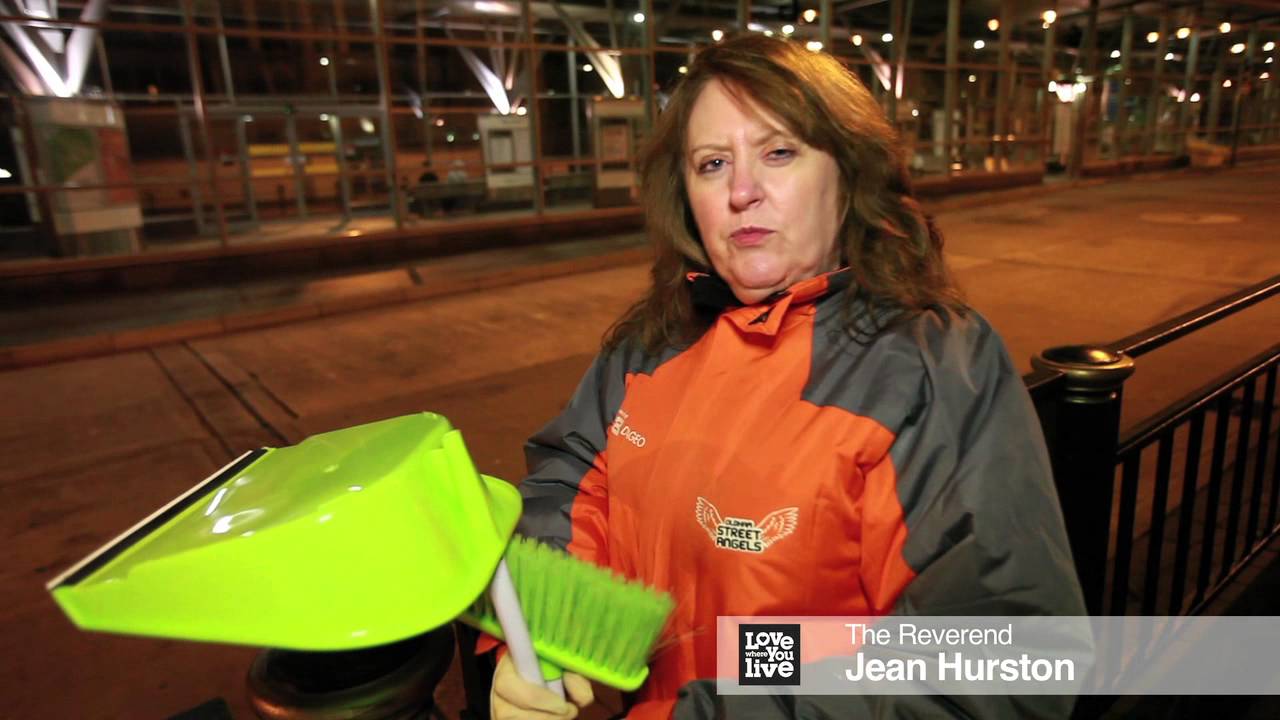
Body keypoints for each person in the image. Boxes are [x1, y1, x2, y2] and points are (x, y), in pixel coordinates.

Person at [488, 34, 1086, 720]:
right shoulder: (645, 346)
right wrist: (544, 641)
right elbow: (567, 489)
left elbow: (998, 660)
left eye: (779, 152)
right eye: (712, 164)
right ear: (685, 196)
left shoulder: (928, 366)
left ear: (847, 171)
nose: (743, 191)